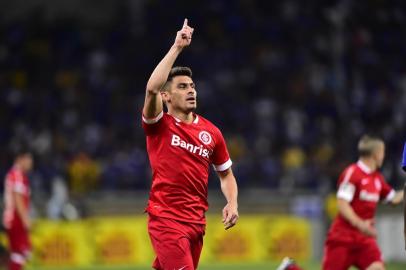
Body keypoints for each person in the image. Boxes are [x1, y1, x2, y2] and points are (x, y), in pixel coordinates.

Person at [142, 19, 239, 270]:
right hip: (166, 219)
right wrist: (177, 47)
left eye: (192, 86)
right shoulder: (159, 125)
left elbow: (226, 174)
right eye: (182, 87)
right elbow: (152, 88)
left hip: (197, 223)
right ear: (167, 96)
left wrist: (232, 202)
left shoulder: (211, 132)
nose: (191, 91)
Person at [322, 135, 403, 270]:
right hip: (342, 238)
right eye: (383, 152)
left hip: (365, 240)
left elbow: (393, 199)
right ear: (376, 154)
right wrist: (360, 224)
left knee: (377, 268)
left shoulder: (377, 178)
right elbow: (342, 203)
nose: (384, 156)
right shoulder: (352, 173)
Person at [3, 149, 33, 270]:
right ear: (20, 159)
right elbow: (18, 199)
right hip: (16, 219)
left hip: (14, 219)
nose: (31, 163)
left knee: (20, 253)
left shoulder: (14, 174)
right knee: (20, 253)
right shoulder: (17, 174)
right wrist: (25, 219)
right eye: (29, 160)